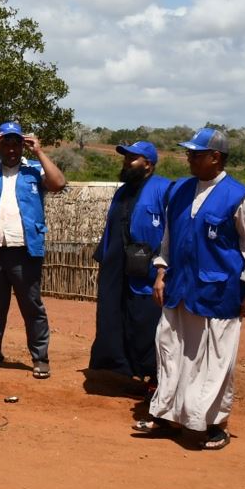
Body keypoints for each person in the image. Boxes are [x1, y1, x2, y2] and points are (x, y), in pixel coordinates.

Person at [138, 128, 245, 451]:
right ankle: (167, 415)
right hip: (180, 287)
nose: (190, 158)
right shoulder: (179, 191)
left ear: (216, 158)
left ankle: (213, 424)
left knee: (215, 360)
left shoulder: (239, 198)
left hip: (218, 292)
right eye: (189, 153)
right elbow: (167, 238)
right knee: (171, 351)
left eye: (196, 154)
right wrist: (160, 273)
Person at [0, 121, 66, 379]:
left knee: (31, 306)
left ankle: (40, 358)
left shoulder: (34, 171)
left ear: (22, 145)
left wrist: (39, 152)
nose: (10, 148)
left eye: (15, 143)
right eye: (5, 143)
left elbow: (58, 183)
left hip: (24, 251)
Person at [89, 141, 171, 386]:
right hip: (117, 266)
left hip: (147, 267)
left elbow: (172, 230)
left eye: (133, 158)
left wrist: (163, 267)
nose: (127, 162)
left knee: (146, 318)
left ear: (149, 164)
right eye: (126, 158)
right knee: (116, 314)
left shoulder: (164, 189)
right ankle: (124, 368)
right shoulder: (122, 192)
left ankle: (154, 375)